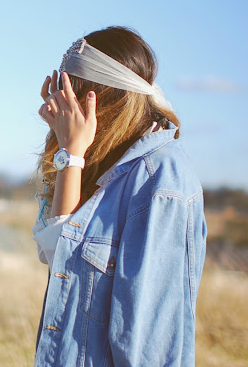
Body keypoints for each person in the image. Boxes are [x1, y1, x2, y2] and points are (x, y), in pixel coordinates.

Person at [32, 26, 206, 366]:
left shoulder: (161, 183)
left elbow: (149, 343)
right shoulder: (103, 168)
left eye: (74, 96)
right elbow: (57, 253)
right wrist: (71, 154)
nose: (67, 110)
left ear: (103, 96)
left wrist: (72, 151)